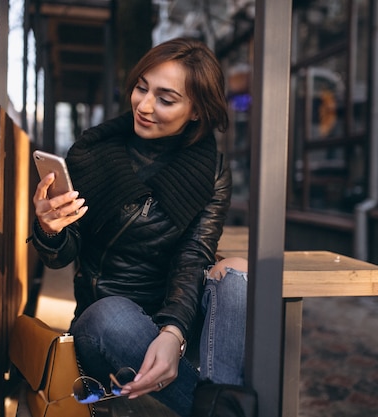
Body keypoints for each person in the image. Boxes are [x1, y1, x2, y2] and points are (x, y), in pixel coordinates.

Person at [29, 37, 248, 417]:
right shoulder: (92, 154)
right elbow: (63, 255)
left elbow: (193, 255)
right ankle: (224, 406)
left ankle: (214, 401)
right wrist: (50, 229)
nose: (144, 106)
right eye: (141, 88)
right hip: (107, 325)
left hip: (174, 320)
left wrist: (174, 333)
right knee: (111, 315)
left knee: (238, 270)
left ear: (196, 111)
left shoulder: (211, 171)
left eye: (165, 98)